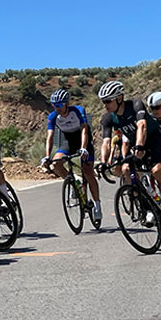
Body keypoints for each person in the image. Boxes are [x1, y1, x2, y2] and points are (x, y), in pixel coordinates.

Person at [98, 81, 161, 223]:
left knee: (157, 170)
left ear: (119, 98)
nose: (105, 105)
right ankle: (148, 208)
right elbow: (106, 141)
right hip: (137, 146)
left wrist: (139, 145)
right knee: (126, 170)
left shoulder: (136, 105)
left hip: (156, 139)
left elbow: (142, 126)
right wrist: (103, 162)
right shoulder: (107, 118)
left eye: (107, 101)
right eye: (102, 102)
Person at [39, 89, 102, 221]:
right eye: (54, 106)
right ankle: (73, 182)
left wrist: (83, 148)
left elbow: (84, 129)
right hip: (68, 142)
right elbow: (49, 136)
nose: (57, 108)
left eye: (60, 105)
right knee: (56, 164)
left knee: (88, 172)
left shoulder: (78, 110)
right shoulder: (52, 117)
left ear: (67, 104)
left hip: (83, 141)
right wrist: (47, 155)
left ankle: (97, 206)